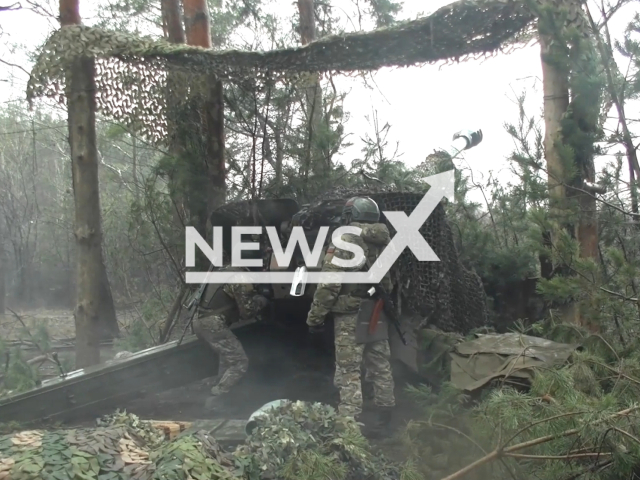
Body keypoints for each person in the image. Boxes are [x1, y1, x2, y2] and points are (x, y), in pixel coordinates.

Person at [306, 196, 396, 433]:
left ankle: (349, 424)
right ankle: (385, 414)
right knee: (380, 364)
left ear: (351, 216)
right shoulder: (384, 241)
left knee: (348, 369)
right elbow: (387, 282)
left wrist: (315, 316)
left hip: (349, 313)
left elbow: (329, 283)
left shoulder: (345, 239)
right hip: (376, 309)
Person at [192, 277, 269, 411]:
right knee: (239, 362)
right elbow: (247, 312)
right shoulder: (238, 277)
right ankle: (215, 397)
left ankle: (222, 397)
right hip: (212, 323)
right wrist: (260, 301)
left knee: (227, 360)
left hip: (200, 321)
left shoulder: (222, 272)